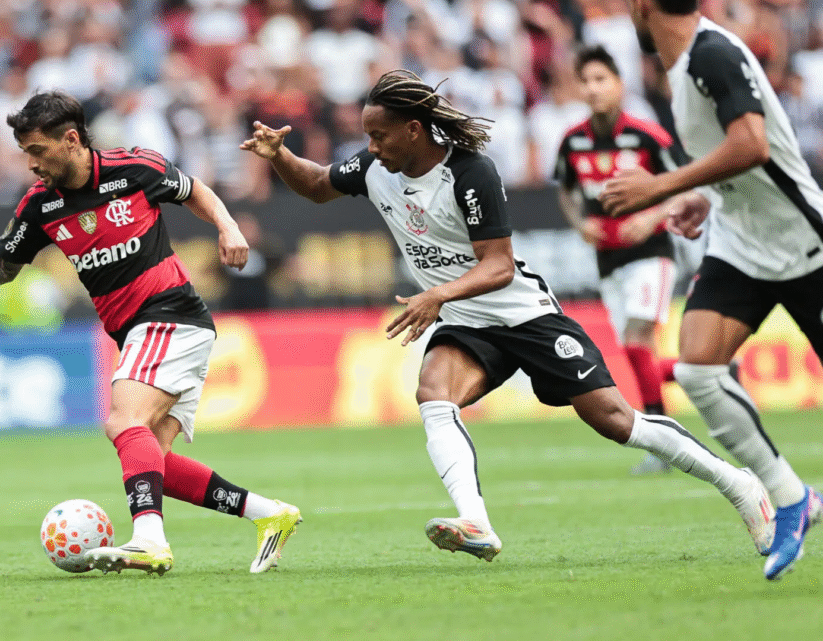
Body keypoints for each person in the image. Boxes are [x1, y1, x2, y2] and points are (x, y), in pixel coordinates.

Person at [241, 68, 773, 565]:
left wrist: (436, 295)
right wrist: (278, 155)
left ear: (414, 130)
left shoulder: (470, 173)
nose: (372, 148)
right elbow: (317, 185)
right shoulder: (376, 167)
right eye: (369, 138)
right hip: (467, 322)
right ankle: (476, 522)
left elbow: (497, 266)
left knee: (617, 421)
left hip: (524, 315)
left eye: (379, 136)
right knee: (434, 394)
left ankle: (739, 484)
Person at [0, 91, 302, 576]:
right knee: (154, 459)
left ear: (71, 140)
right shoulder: (40, 204)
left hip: (169, 314)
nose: (31, 164)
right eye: (25, 152)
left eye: (38, 150)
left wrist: (228, 227)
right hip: (142, 333)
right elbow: (4, 264)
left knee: (123, 422)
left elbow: (194, 190)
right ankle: (269, 514)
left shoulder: (133, 169)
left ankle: (149, 541)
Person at [602, 0, 823, 580]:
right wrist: (705, 196)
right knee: (699, 370)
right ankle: (792, 498)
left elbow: (753, 145)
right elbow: (734, 155)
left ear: (643, 6)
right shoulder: (685, 64)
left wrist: (661, 188)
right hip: (741, 245)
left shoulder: (712, 54)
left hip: (803, 241)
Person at [554, 45, 678, 476]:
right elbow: (565, 190)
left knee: (638, 339)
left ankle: (662, 445)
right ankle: (705, 370)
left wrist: (652, 217)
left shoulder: (647, 136)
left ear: (619, 85)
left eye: (601, 79)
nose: (593, 88)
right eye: (586, 81)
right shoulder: (572, 141)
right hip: (608, 259)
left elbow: (683, 183)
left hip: (651, 253)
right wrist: (579, 223)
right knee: (636, 350)